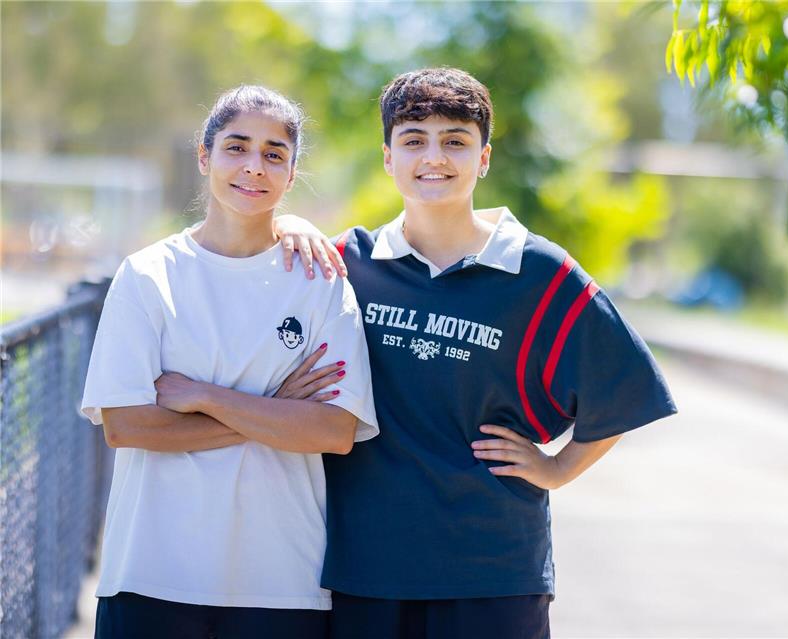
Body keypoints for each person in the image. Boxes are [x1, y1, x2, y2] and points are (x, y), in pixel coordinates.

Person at [273, 68, 677, 639]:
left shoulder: (538, 271)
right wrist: (286, 221)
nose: (433, 157)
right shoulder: (347, 263)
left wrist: (559, 467)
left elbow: (625, 388)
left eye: (455, 140)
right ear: (388, 157)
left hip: (495, 572)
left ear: (483, 158)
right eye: (414, 139)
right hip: (367, 567)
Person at [80, 85, 378, 639]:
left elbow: (334, 431)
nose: (254, 166)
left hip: (282, 583)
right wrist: (274, 413)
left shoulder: (320, 282)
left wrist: (207, 397)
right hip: (149, 573)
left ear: (292, 173)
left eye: (274, 154)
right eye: (237, 147)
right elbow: (127, 426)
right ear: (205, 155)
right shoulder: (148, 275)